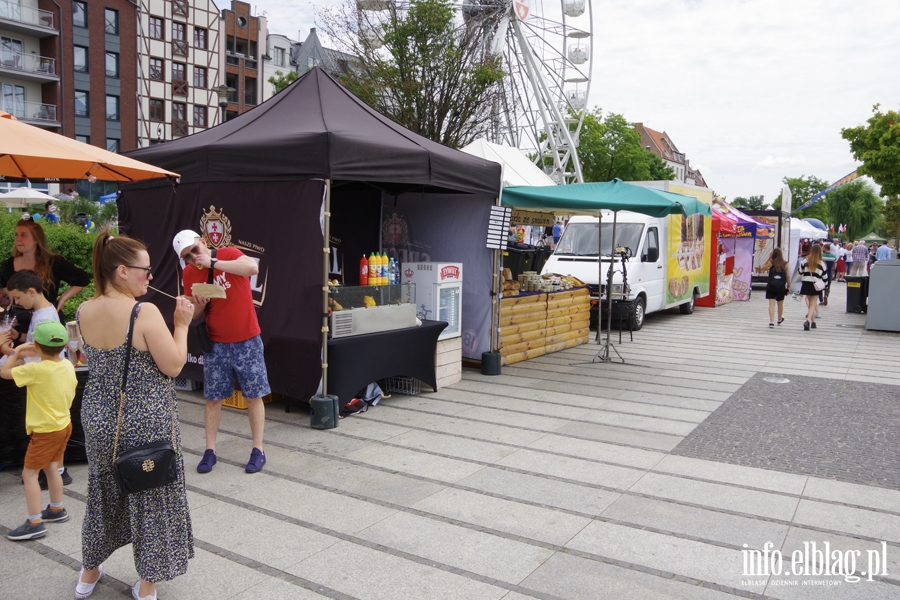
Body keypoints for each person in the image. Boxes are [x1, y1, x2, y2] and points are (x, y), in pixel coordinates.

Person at [75, 232, 194, 600]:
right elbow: (174, 365)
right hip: (144, 420)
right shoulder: (145, 312)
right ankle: (147, 586)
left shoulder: (83, 310)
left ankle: (88, 573)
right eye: (145, 269)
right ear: (122, 271)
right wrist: (183, 324)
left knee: (103, 494)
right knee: (152, 499)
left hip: (98, 417)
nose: (150, 276)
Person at [0, 218, 90, 488]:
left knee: (45, 451)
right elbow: (38, 344)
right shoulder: (41, 313)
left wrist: (10, 351)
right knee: (56, 445)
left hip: (45, 398)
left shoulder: (47, 316)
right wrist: (18, 340)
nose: (14, 304)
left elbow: (34, 353)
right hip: (48, 380)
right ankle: (56, 490)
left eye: (16, 299)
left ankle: (47, 482)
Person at [173, 230, 269, 474]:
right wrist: (197, 304)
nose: (193, 257)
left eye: (194, 250)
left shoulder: (227, 253)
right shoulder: (189, 273)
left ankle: (258, 449)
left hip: (247, 338)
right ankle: (210, 450)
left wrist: (213, 262)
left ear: (203, 242)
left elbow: (251, 268)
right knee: (213, 398)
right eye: (187, 256)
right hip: (216, 343)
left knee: (253, 395)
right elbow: (194, 314)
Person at [2, 321, 76, 541]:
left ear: (35, 345)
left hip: (45, 430)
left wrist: (15, 352)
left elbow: (5, 372)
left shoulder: (34, 369)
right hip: (64, 425)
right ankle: (56, 508)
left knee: (29, 474)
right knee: (52, 468)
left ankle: (34, 522)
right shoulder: (67, 366)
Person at [799, 244, 826, 331]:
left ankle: (813, 322)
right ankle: (808, 321)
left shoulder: (805, 260)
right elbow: (825, 277)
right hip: (816, 284)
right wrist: (826, 286)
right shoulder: (822, 263)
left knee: (810, 303)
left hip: (806, 283)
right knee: (813, 303)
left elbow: (800, 271)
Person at [765, 248, 788, 328]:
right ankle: (779, 319)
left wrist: (769, 258)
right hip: (781, 287)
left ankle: (771, 321)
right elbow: (788, 276)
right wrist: (788, 286)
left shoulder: (771, 262)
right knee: (780, 304)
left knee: (771, 304)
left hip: (771, 286)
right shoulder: (785, 263)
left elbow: (763, 268)